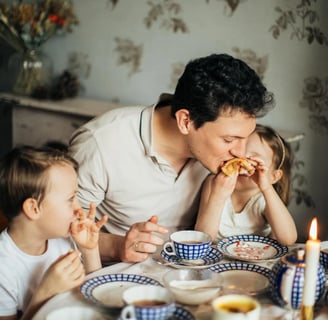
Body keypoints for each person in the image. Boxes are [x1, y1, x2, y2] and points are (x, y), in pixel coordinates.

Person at [68, 53, 274, 263]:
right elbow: (61, 230)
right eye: (229, 139)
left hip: (191, 270)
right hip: (121, 276)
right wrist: (118, 246)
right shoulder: (100, 144)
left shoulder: (216, 155)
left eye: (245, 138)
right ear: (185, 121)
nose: (241, 152)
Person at [0, 146, 107, 320]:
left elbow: (95, 298)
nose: (79, 209)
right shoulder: (3, 268)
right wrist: (45, 293)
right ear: (34, 208)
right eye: (71, 199)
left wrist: (90, 250)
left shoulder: (62, 239)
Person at [195, 124, 297, 246]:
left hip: (256, 257)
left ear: (273, 176)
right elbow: (202, 238)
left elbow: (288, 239)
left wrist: (266, 187)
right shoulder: (214, 184)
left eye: (254, 161)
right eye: (238, 156)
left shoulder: (264, 198)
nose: (242, 164)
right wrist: (218, 195)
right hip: (218, 258)